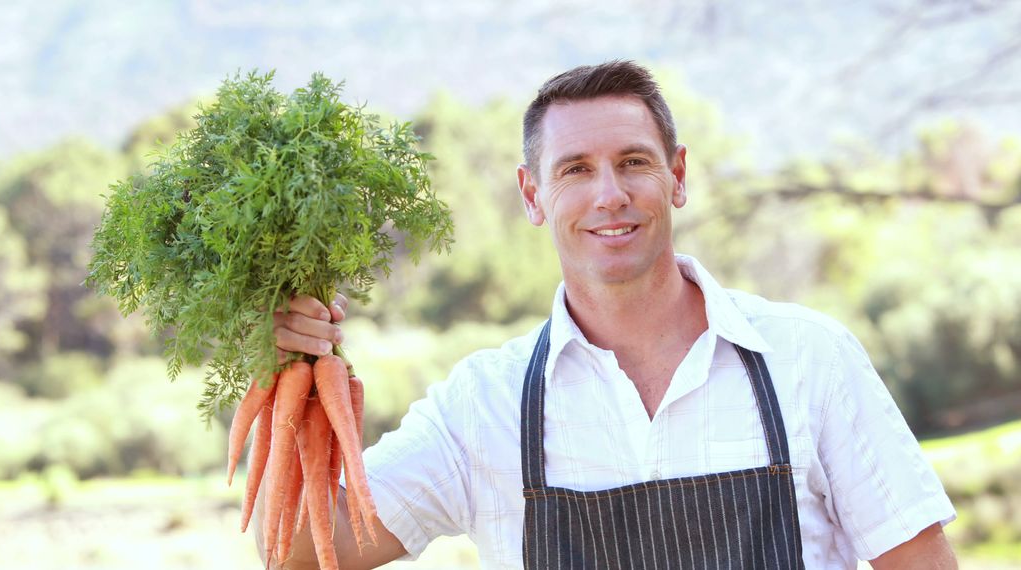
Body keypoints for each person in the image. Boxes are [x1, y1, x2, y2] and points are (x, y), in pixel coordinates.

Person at [260, 60, 958, 569]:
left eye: (633, 162)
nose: (610, 194)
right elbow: (301, 553)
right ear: (532, 195)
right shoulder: (484, 404)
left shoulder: (809, 358)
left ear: (677, 176)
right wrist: (291, 372)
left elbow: (922, 563)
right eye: (575, 170)